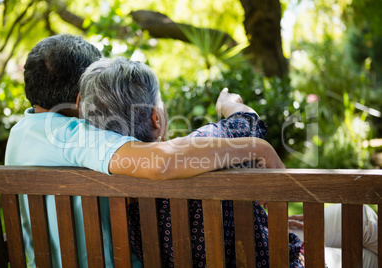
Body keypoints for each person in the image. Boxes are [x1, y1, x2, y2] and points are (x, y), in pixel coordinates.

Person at [5, 34, 285, 267]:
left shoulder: (19, 134)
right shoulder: (76, 136)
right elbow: (159, 162)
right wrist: (256, 146)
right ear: (81, 97)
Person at [79, 57, 378, 268]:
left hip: (248, 245)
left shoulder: (96, 165)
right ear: (156, 119)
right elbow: (247, 120)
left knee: (360, 221)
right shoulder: (201, 144)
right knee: (364, 236)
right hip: (270, 257)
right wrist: (228, 103)